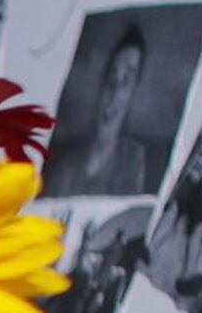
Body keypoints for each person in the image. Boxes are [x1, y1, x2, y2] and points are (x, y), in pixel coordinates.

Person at [47, 20, 163, 196]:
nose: (115, 90)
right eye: (113, 75)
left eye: (126, 80)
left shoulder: (132, 159)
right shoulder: (65, 170)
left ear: (133, 94)